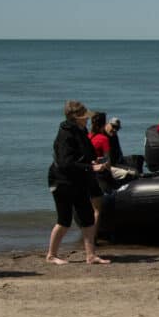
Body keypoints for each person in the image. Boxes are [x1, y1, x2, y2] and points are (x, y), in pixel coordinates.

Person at [46, 101, 110, 265]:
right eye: (84, 117)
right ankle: (51, 255)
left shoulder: (81, 131)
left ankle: (91, 255)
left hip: (79, 179)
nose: (87, 119)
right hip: (62, 181)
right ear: (75, 117)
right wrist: (91, 167)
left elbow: (85, 155)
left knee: (87, 217)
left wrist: (95, 162)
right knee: (64, 220)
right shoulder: (65, 135)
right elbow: (66, 163)